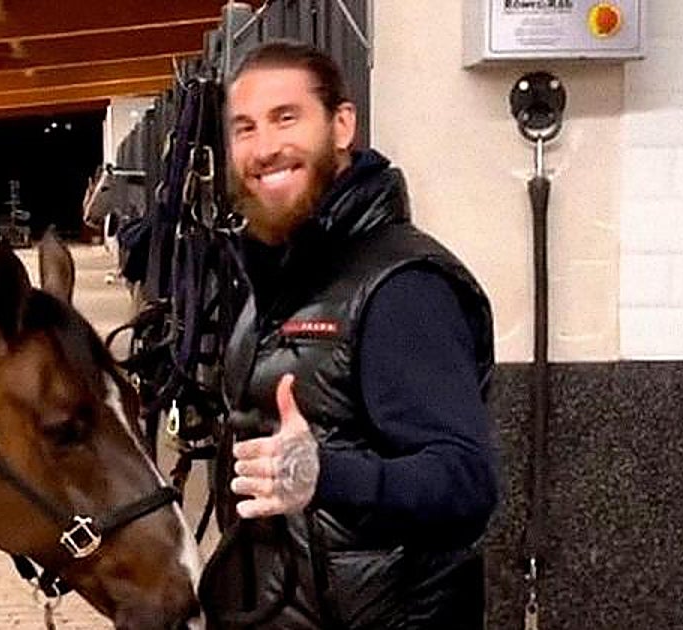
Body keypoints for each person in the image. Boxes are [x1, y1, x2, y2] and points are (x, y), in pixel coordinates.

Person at [208, 40, 499, 628]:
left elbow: (467, 481)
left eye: (286, 118)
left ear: (341, 125)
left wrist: (328, 475)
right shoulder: (277, 278)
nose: (264, 149)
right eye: (244, 128)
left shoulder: (400, 288)